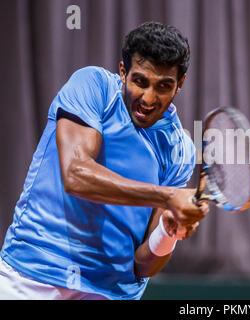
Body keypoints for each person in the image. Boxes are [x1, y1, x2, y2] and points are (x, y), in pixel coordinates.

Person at [0, 21, 209, 300]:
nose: (148, 98)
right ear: (123, 72)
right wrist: (168, 196)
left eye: (163, 86)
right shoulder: (93, 86)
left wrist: (169, 232)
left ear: (180, 84)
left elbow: (143, 265)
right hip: (34, 275)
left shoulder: (179, 149)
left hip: (111, 292)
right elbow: (76, 175)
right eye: (140, 81)